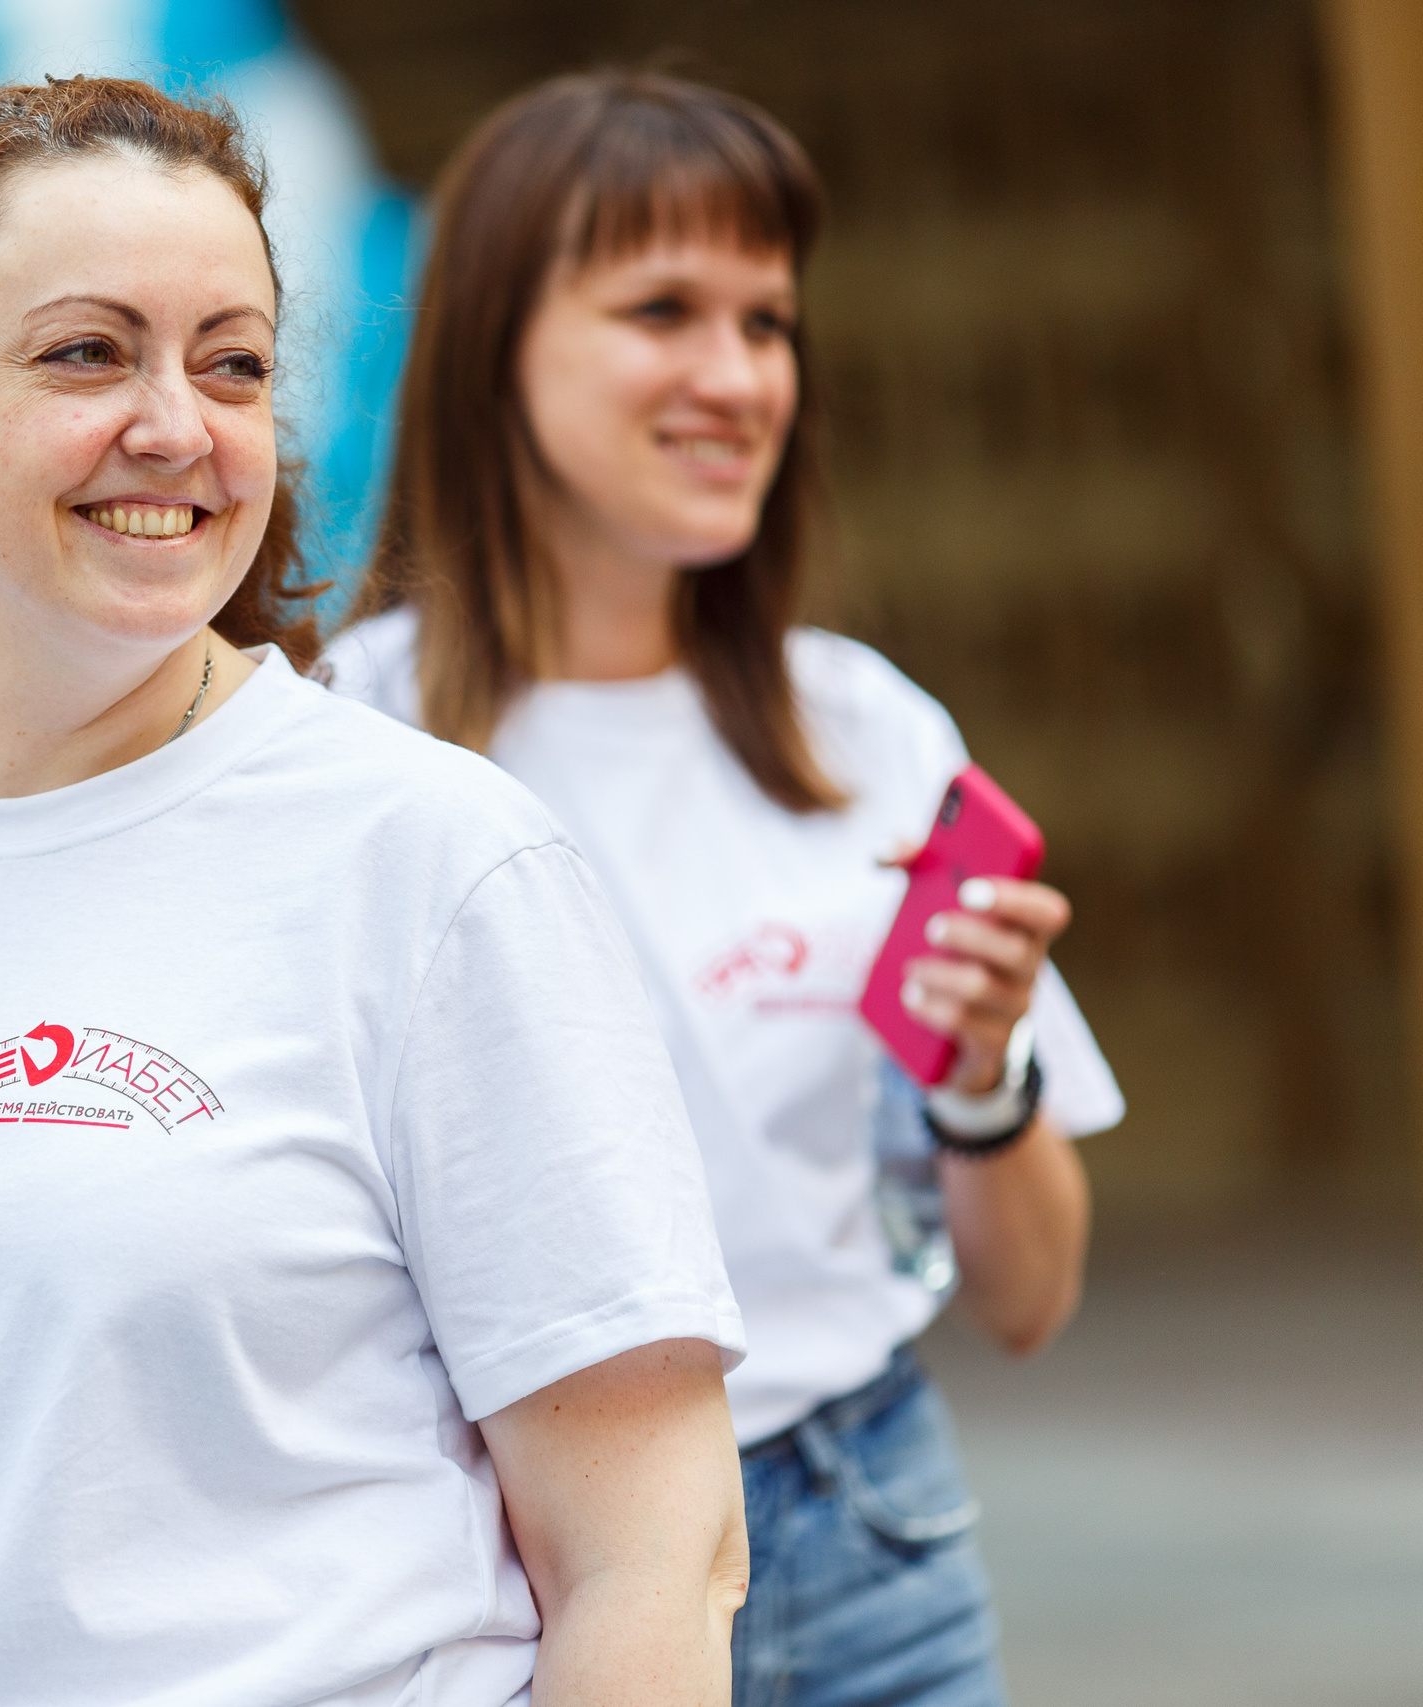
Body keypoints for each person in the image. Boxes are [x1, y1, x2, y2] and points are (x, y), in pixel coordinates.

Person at [0, 77, 752, 1707]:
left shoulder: (436, 865)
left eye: (233, 362)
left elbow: (650, 1560)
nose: (177, 425)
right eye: (87, 352)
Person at [325, 72, 1125, 1707]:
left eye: (767, 322)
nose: (736, 373)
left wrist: (984, 1075)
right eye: (664, 308)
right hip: (510, 1576)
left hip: (870, 1539)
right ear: (492, 348)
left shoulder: (868, 734)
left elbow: (1031, 1300)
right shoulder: (345, 746)